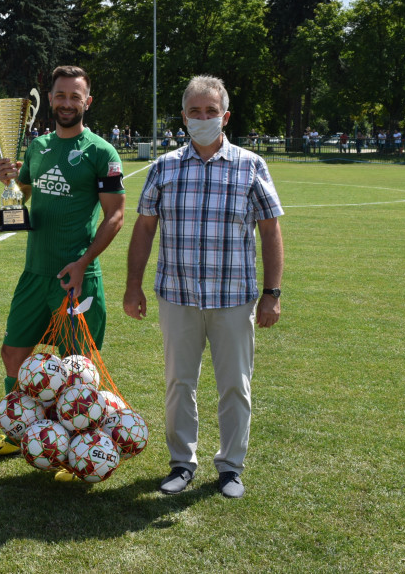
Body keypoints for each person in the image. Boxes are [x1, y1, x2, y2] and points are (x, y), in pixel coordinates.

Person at [124, 75, 284, 500]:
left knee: (235, 384)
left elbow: (270, 231)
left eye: (210, 111)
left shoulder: (251, 165)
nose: (202, 118)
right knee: (179, 382)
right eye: (194, 111)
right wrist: (133, 286)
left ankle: (231, 467)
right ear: (183, 117)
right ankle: (182, 462)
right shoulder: (165, 166)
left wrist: (273, 293)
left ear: (225, 116)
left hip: (234, 296)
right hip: (177, 295)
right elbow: (143, 229)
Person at [0, 65, 126, 474]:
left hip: (76, 277)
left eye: (75, 97)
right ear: (51, 98)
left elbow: (115, 217)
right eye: (60, 95)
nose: (66, 103)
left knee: (78, 370)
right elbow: (22, 194)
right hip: (34, 273)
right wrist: (10, 181)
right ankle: (16, 435)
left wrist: (83, 263)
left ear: (87, 102)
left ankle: (79, 448)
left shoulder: (101, 152)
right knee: (13, 354)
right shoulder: (38, 147)